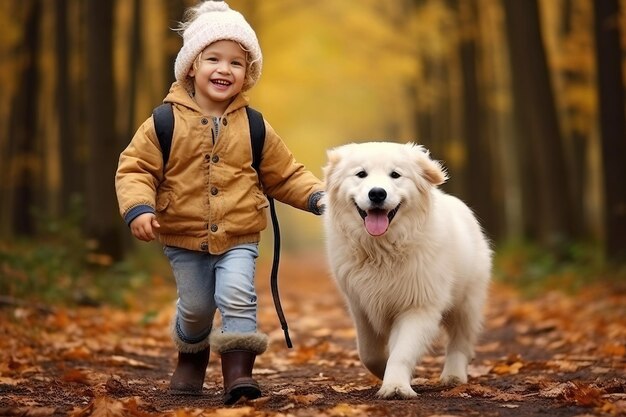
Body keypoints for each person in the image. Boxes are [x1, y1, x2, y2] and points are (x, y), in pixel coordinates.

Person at [115, 0, 324, 404]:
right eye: (213, 58)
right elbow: (135, 168)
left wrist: (318, 196)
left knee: (237, 296)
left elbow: (286, 173)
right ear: (191, 65)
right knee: (195, 306)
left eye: (236, 63)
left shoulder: (255, 125)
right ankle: (191, 355)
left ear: (247, 75)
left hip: (240, 234)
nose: (224, 69)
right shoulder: (164, 121)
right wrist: (139, 208)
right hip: (183, 235)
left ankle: (238, 375)